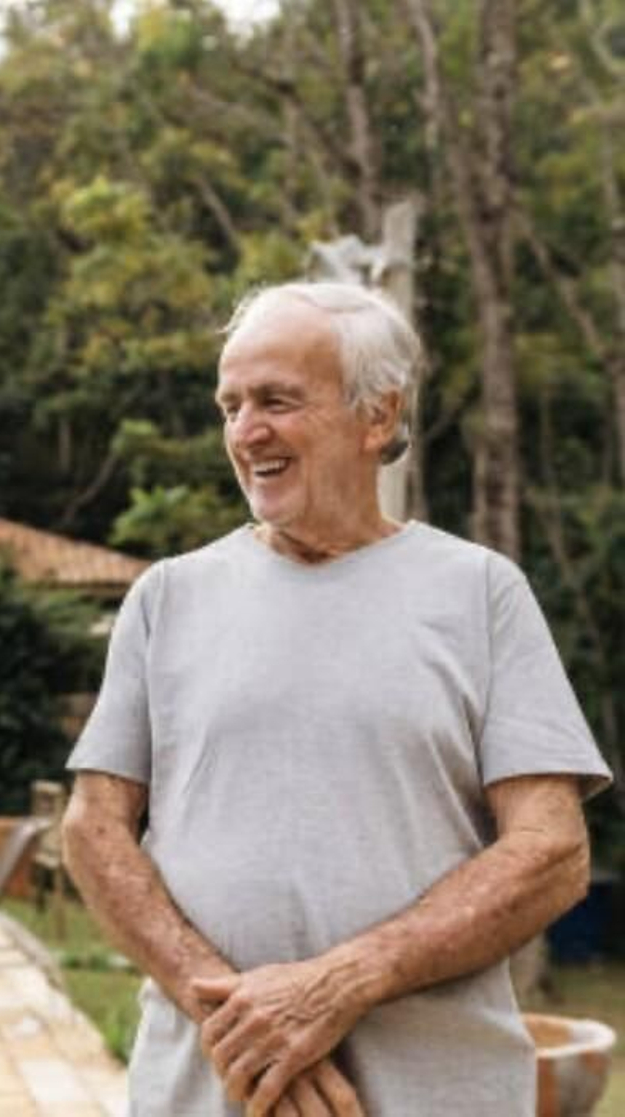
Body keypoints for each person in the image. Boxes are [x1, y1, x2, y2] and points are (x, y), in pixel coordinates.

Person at [61, 282, 613, 1117]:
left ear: (377, 417)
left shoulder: (480, 592)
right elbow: (94, 830)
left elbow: (551, 849)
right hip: (207, 1096)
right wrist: (248, 1032)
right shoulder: (165, 598)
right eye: (231, 404)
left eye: (278, 400)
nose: (247, 431)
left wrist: (342, 982)